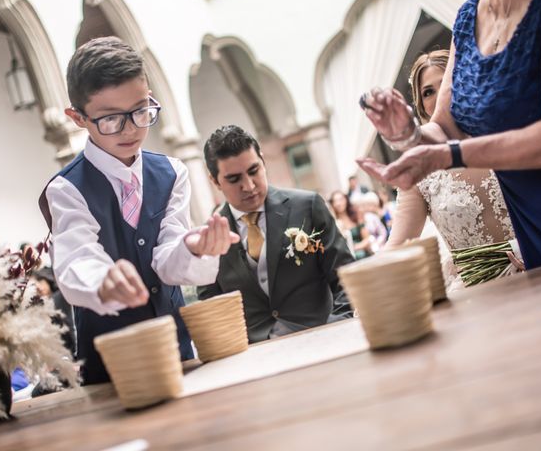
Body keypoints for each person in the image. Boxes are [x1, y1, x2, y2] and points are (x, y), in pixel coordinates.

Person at [39, 37, 238, 384]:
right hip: (112, 363)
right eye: (111, 119)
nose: (131, 128)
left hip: (176, 346)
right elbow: (75, 258)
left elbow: (167, 258)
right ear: (77, 118)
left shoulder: (172, 172)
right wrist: (103, 279)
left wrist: (194, 249)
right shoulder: (67, 188)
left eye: (142, 110)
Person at [357, 0, 541, 269]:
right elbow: (445, 127)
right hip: (532, 230)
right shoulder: (467, 19)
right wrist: (406, 133)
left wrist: (448, 155)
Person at [375, 50, 518, 289]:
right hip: (477, 291)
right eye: (428, 92)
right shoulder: (422, 168)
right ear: (421, 105)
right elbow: (398, 243)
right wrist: (371, 285)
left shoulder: (509, 132)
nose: (440, 94)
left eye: (446, 82)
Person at [197, 125, 354, 343]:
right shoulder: (209, 237)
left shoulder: (307, 206)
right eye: (234, 179)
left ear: (263, 160)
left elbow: (346, 276)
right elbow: (210, 308)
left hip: (322, 340)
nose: (249, 186)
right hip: (254, 357)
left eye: (254, 171)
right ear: (215, 181)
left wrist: (339, 326)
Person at [329, 191, 371, 260]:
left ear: (346, 200)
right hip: (348, 259)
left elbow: (367, 239)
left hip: (364, 255)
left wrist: (354, 247)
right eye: (335, 201)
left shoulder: (356, 216)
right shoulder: (335, 223)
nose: (338, 203)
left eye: (340, 199)